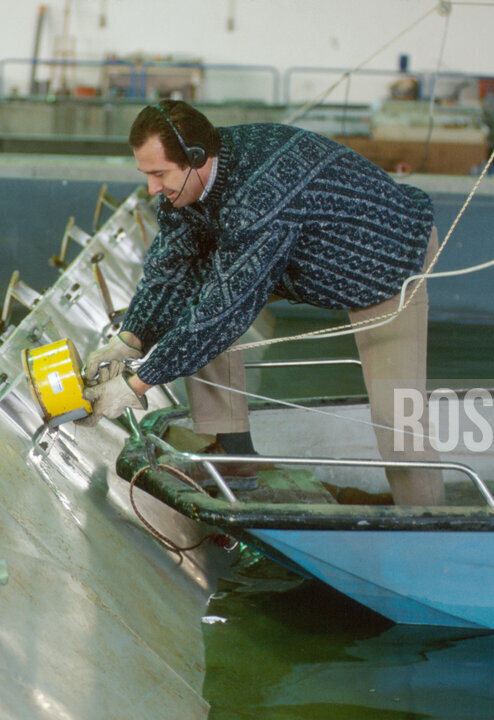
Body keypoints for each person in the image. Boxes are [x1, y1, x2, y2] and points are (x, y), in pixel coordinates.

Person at [81, 99, 444, 506]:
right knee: (199, 307)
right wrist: (131, 339)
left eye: (159, 174)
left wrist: (136, 384)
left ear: (197, 159)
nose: (152, 188)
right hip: (296, 261)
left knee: (398, 421)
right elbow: (170, 269)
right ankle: (235, 454)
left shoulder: (261, 190)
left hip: (385, 260)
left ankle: (430, 525)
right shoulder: (185, 191)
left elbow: (224, 312)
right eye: (146, 174)